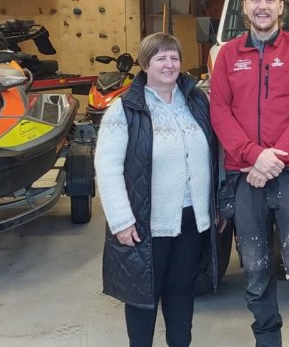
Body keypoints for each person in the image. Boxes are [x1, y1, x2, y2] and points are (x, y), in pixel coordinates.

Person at [210, 0, 289, 347]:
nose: (263, 6)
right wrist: (254, 156)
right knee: (256, 271)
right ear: (244, 8)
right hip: (245, 175)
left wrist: (274, 158)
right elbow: (220, 112)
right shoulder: (228, 55)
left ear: (281, 7)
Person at [95, 32, 221, 347]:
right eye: (160, 58)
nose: (169, 64)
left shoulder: (196, 102)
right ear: (145, 64)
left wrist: (215, 206)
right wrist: (121, 221)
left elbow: (215, 154)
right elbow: (107, 168)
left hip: (192, 219)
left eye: (174, 57)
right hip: (145, 224)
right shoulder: (125, 109)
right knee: (143, 298)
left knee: (182, 291)